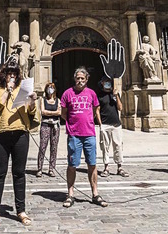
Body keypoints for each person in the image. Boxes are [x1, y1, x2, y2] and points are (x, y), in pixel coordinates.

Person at [0, 58, 37, 228]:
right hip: (1, 134)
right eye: (10, 74)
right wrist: (6, 92)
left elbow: (31, 111)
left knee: (19, 173)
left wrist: (32, 101)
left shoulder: (23, 90)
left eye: (15, 74)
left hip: (20, 134)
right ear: (4, 75)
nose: (12, 77)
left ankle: (21, 210)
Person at [61, 66, 108, 208]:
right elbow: (64, 113)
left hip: (89, 134)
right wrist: (73, 123)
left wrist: (87, 121)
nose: (80, 81)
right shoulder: (67, 94)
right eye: (78, 78)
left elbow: (95, 110)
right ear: (74, 79)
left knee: (92, 164)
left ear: (87, 80)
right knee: (72, 165)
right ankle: (70, 194)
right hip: (74, 135)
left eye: (82, 78)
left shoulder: (92, 94)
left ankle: (95, 193)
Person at [96, 76, 129, 178]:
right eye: (106, 82)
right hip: (105, 124)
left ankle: (119, 167)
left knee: (118, 145)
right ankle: (106, 168)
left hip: (116, 124)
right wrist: (100, 124)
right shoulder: (100, 96)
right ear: (102, 84)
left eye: (109, 83)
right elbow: (97, 110)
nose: (108, 84)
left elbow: (120, 108)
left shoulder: (114, 95)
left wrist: (116, 96)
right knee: (105, 147)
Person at [36, 82, 61, 178]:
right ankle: (39, 168)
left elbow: (60, 112)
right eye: (48, 88)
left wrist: (49, 113)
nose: (50, 89)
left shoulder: (57, 100)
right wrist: (54, 113)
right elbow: (42, 111)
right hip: (45, 125)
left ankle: (51, 168)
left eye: (52, 88)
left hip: (55, 126)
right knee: (43, 146)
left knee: (54, 147)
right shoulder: (43, 100)